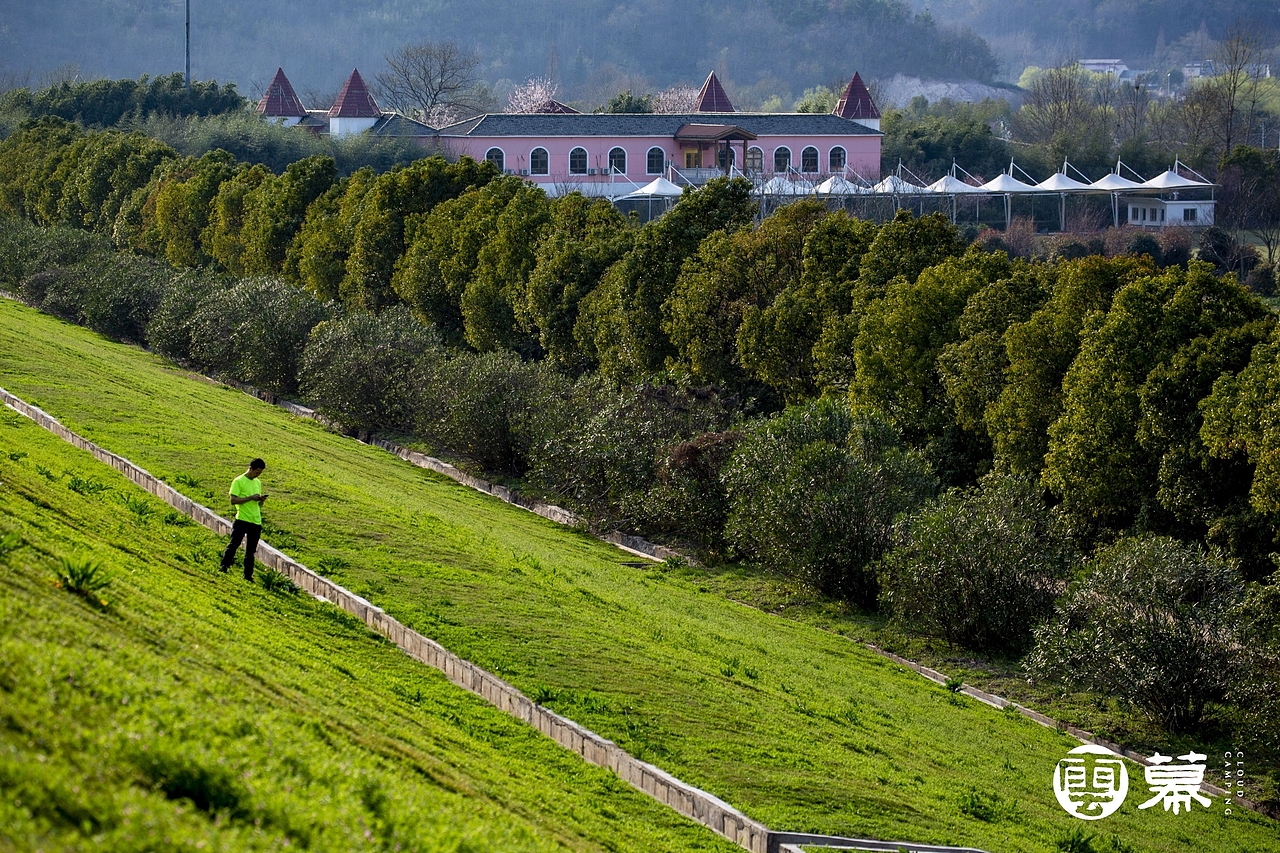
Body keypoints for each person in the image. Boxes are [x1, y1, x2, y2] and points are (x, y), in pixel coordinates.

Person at [220, 458, 268, 581]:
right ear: (250, 468)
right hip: (242, 519)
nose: (258, 475)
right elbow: (233, 500)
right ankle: (224, 565)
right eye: (256, 472)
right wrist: (250, 497)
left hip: (255, 521)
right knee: (234, 544)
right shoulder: (238, 481)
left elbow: (257, 505)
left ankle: (248, 575)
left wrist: (260, 501)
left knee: (251, 551)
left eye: (260, 473)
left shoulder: (258, 482)